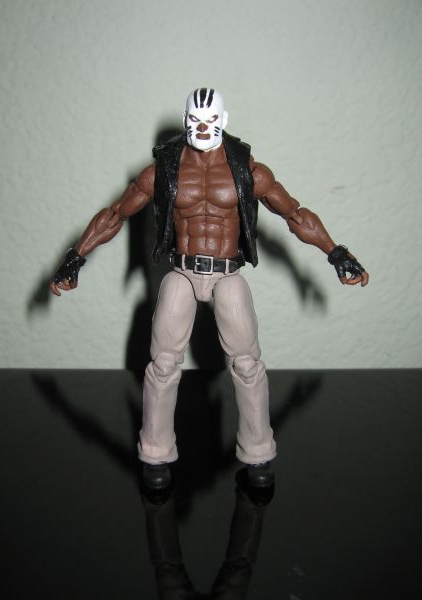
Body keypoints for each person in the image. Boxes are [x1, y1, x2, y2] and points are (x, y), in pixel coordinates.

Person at [51, 88, 369, 489]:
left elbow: (294, 213)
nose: (202, 129)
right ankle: (155, 452)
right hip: (182, 272)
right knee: (162, 365)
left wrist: (336, 253)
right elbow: (116, 214)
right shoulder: (164, 169)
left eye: (211, 121)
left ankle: (258, 452)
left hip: (227, 274)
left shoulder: (247, 170)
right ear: (186, 120)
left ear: (224, 120)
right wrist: (75, 258)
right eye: (195, 121)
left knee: (247, 365)